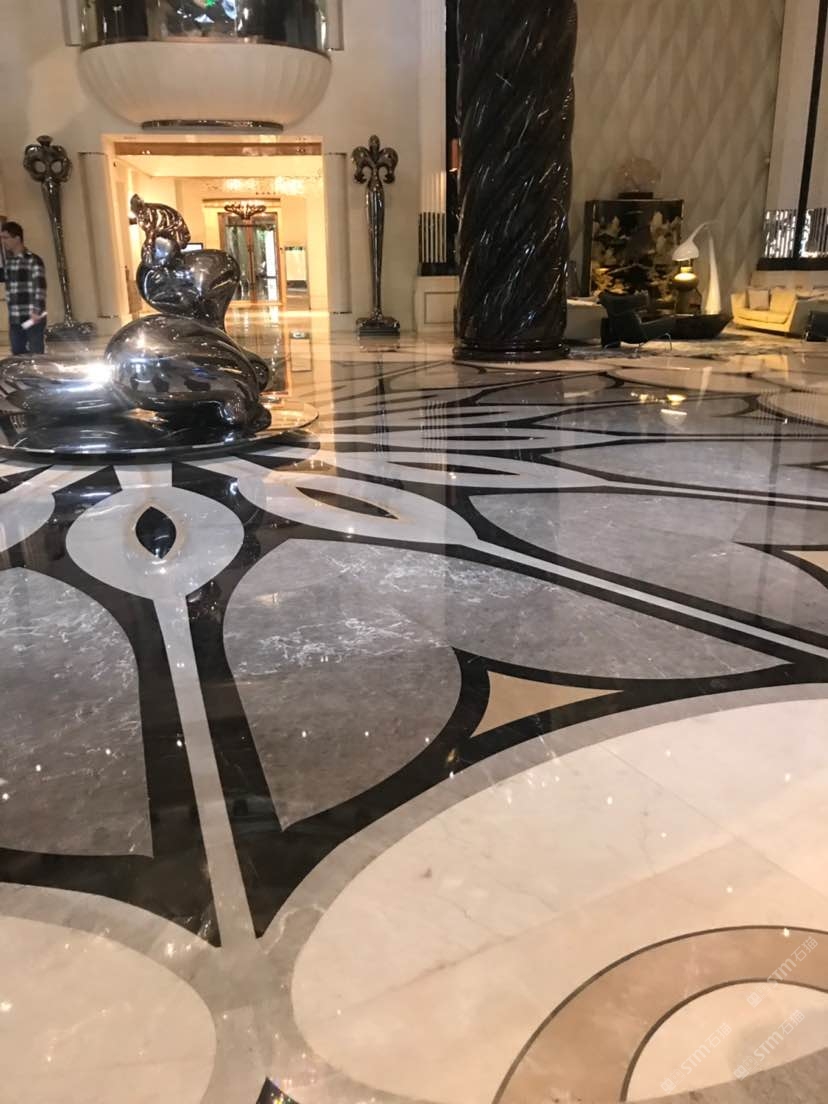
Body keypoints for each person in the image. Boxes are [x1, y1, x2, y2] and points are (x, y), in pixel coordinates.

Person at [0, 221, 47, 355]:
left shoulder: (33, 260)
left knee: (36, 356)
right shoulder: (10, 262)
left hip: (32, 318)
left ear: (17, 238)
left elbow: (40, 287)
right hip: (15, 318)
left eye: (6, 237)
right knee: (18, 356)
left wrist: (37, 311)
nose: (3, 241)